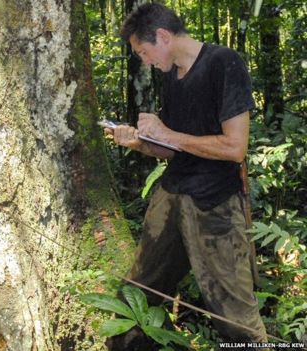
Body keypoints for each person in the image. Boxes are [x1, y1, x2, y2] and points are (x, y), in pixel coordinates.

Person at [103, 3, 267, 348]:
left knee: (234, 320)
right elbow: (172, 149)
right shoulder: (172, 78)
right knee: (135, 297)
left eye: (143, 51)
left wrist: (167, 135)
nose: (145, 60)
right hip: (171, 196)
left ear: (163, 36)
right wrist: (140, 142)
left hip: (215, 204)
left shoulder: (223, 63)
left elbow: (235, 148)